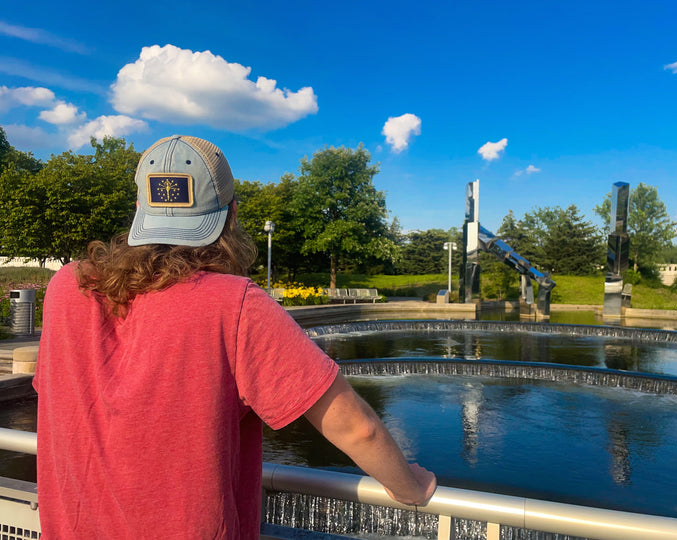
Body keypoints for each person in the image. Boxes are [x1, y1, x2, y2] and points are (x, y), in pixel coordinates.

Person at [33, 135, 436, 539]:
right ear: (231, 216)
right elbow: (356, 428)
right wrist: (411, 487)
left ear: (139, 209)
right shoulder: (235, 304)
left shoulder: (69, 287)